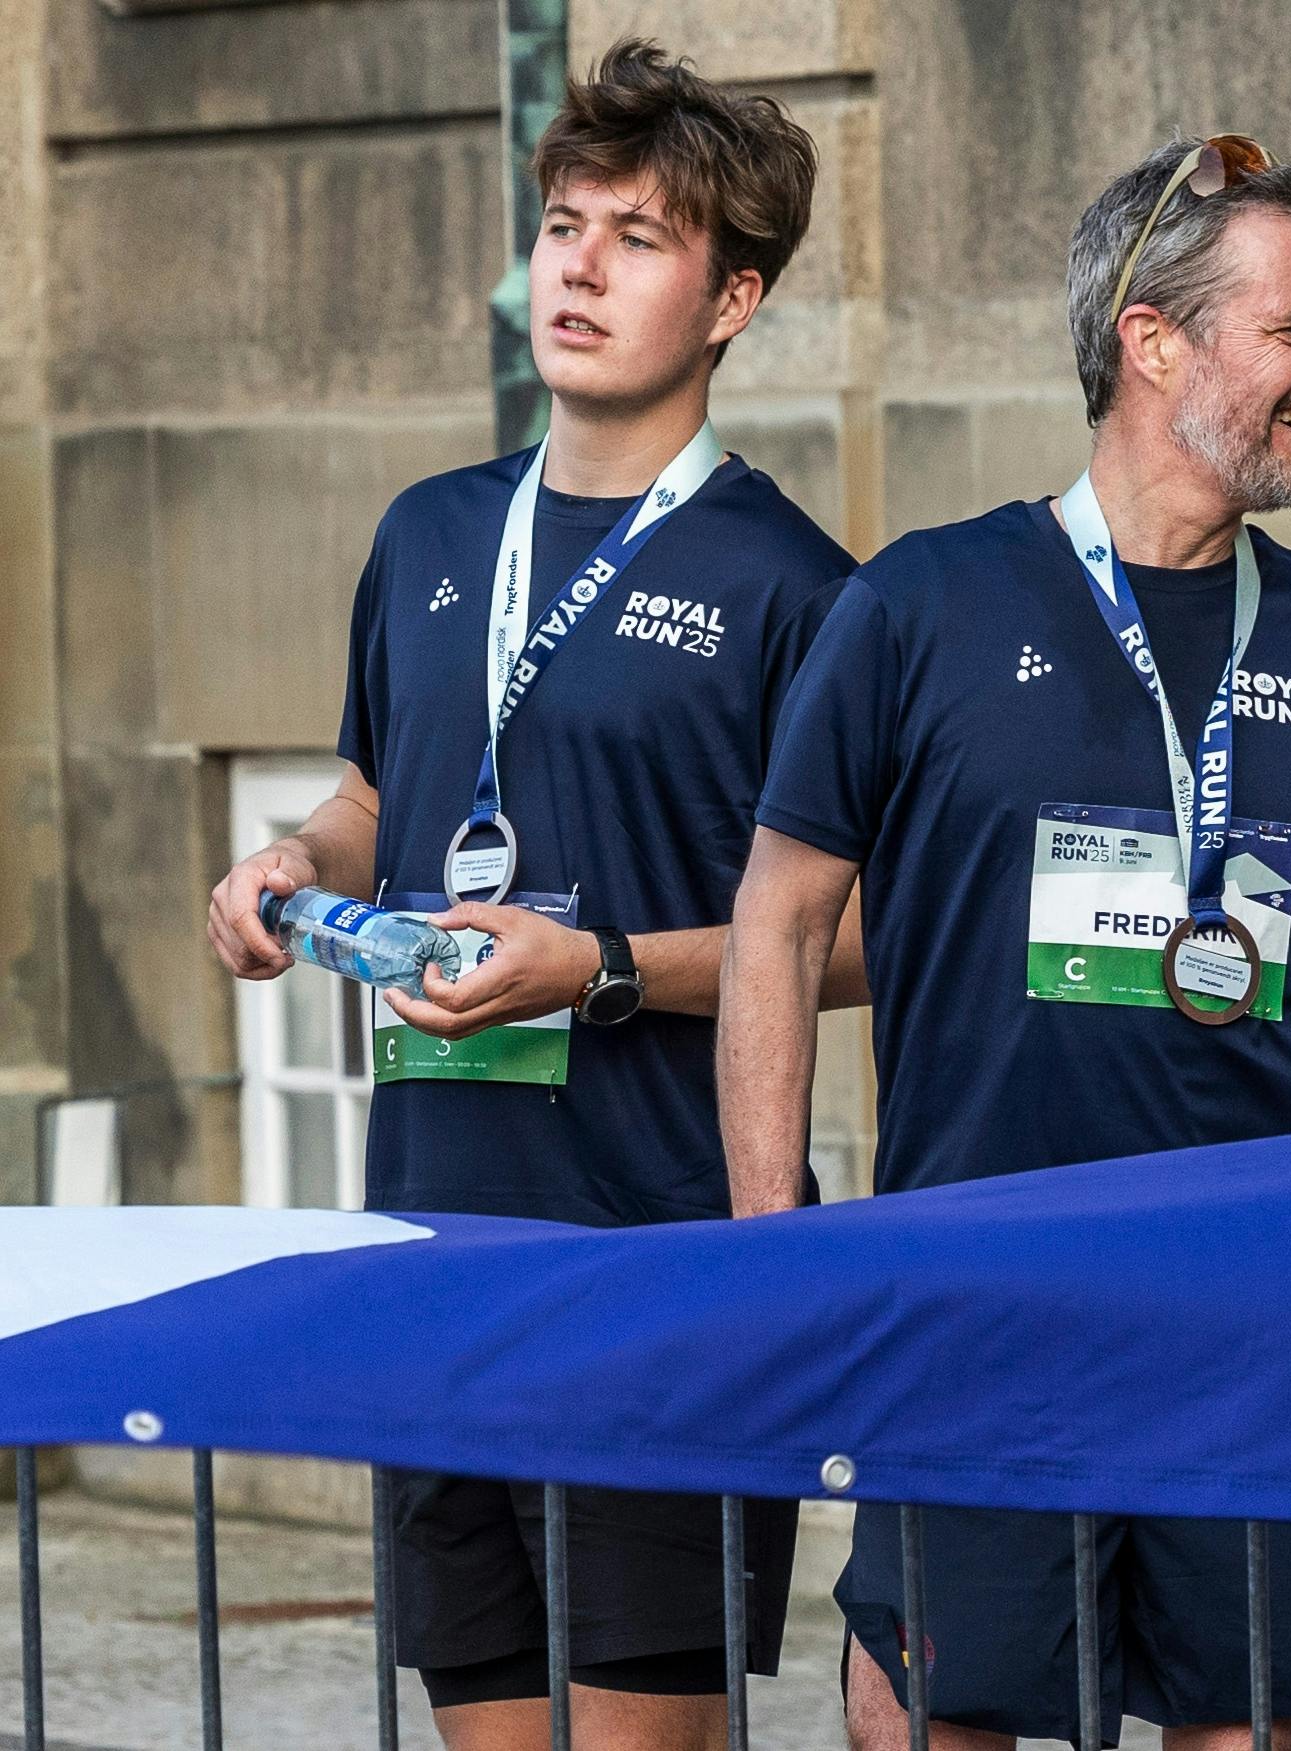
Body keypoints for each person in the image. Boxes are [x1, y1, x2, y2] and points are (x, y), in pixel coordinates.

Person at [716, 136, 1291, 1751]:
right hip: (977, 1294)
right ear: (1152, 338)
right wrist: (775, 1236)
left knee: (1247, 1719)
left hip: (1248, 1313)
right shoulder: (920, 604)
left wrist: (1252, 1135)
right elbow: (779, 919)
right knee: (939, 1709)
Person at [202, 41, 857, 1751]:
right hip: (434, 1237)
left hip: (650, 1255)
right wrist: (293, 866)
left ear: (733, 298)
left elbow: (871, 931)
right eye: (565, 224)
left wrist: (603, 968)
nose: (576, 264)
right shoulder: (430, 535)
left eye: (638, 239)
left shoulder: (798, 586)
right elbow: (369, 802)